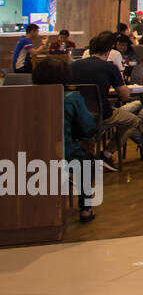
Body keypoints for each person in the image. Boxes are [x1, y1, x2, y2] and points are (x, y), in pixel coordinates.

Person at [33, 58, 99, 223]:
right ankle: (85, 208)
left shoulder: (24, 97)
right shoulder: (71, 98)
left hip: (27, 153)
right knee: (85, 160)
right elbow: (88, 128)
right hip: (64, 153)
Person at [68, 30, 143, 170]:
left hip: (77, 114)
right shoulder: (109, 67)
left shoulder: (73, 66)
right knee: (133, 120)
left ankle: (88, 156)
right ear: (108, 52)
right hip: (102, 113)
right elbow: (125, 96)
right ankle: (107, 154)